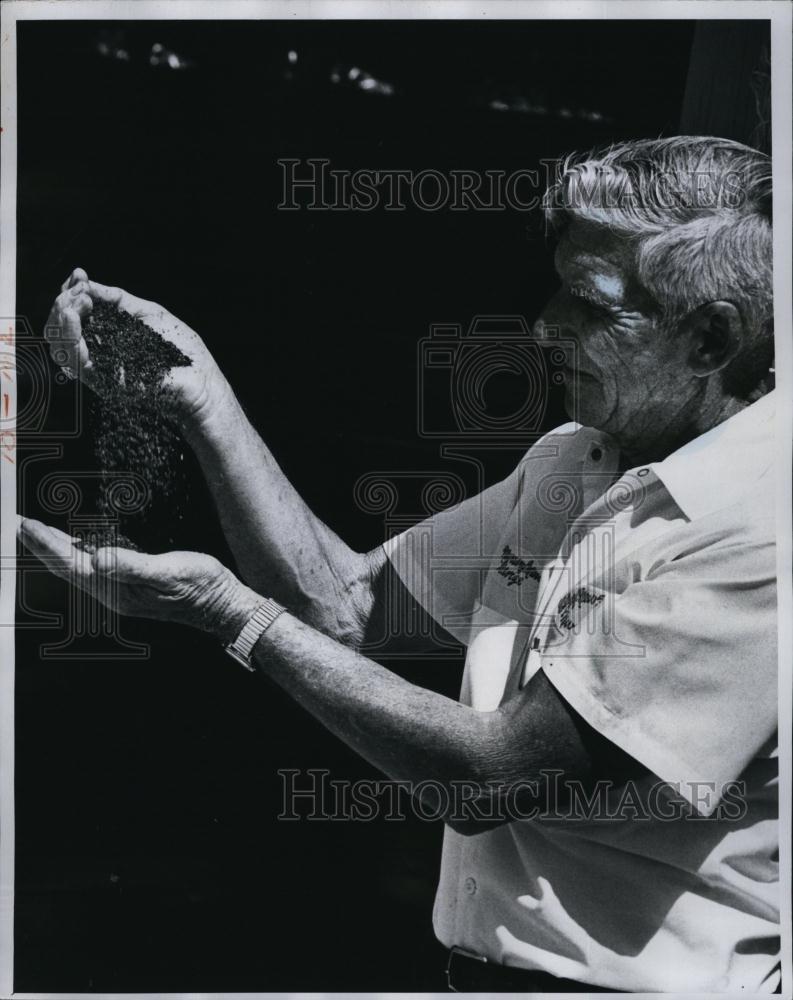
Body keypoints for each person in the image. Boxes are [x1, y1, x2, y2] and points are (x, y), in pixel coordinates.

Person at [20, 137, 780, 993]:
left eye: (589, 304)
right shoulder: (579, 457)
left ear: (711, 337)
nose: (544, 324)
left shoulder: (761, 530)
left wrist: (229, 613)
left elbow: (499, 776)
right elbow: (349, 607)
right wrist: (202, 397)